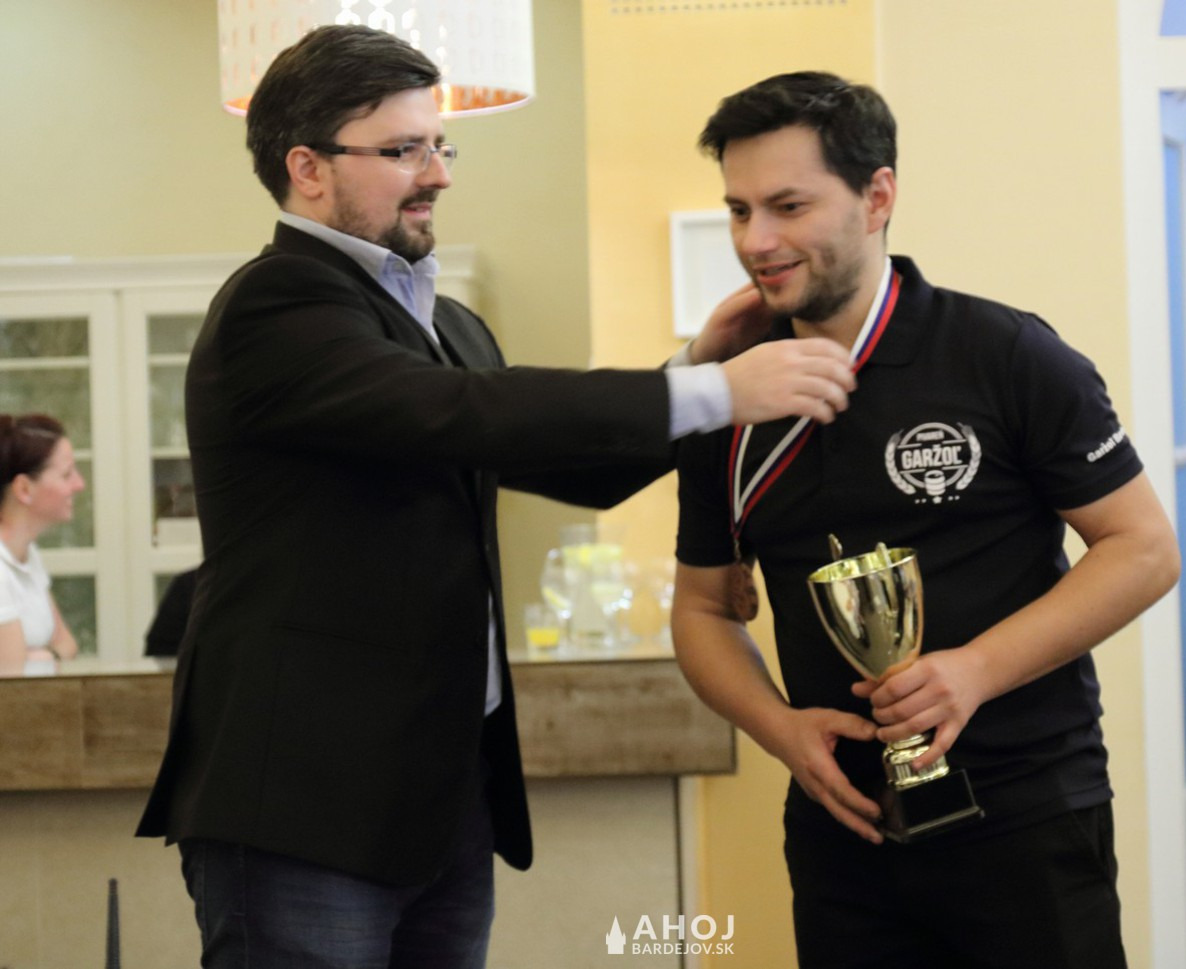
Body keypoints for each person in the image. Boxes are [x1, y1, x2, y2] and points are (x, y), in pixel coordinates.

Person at [134, 26, 856, 969]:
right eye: (404, 150)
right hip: (303, 803)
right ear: (306, 168)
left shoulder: (448, 323)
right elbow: (455, 409)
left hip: (441, 800)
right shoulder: (276, 306)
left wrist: (695, 361)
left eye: (441, 146)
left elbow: (573, 466)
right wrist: (715, 392)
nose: (437, 174)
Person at [671, 72, 1181, 969]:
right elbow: (704, 608)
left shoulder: (1006, 354)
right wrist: (779, 728)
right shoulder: (730, 393)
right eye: (739, 210)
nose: (756, 241)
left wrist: (974, 670)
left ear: (878, 197)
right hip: (842, 831)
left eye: (788, 206)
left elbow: (1143, 549)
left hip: (1026, 813)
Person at [0, 414, 84, 677]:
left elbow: (67, 645)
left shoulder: (27, 552)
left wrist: (44, 656)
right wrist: (46, 657)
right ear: (24, 489)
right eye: (66, 474)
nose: (79, 484)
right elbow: (13, 682)